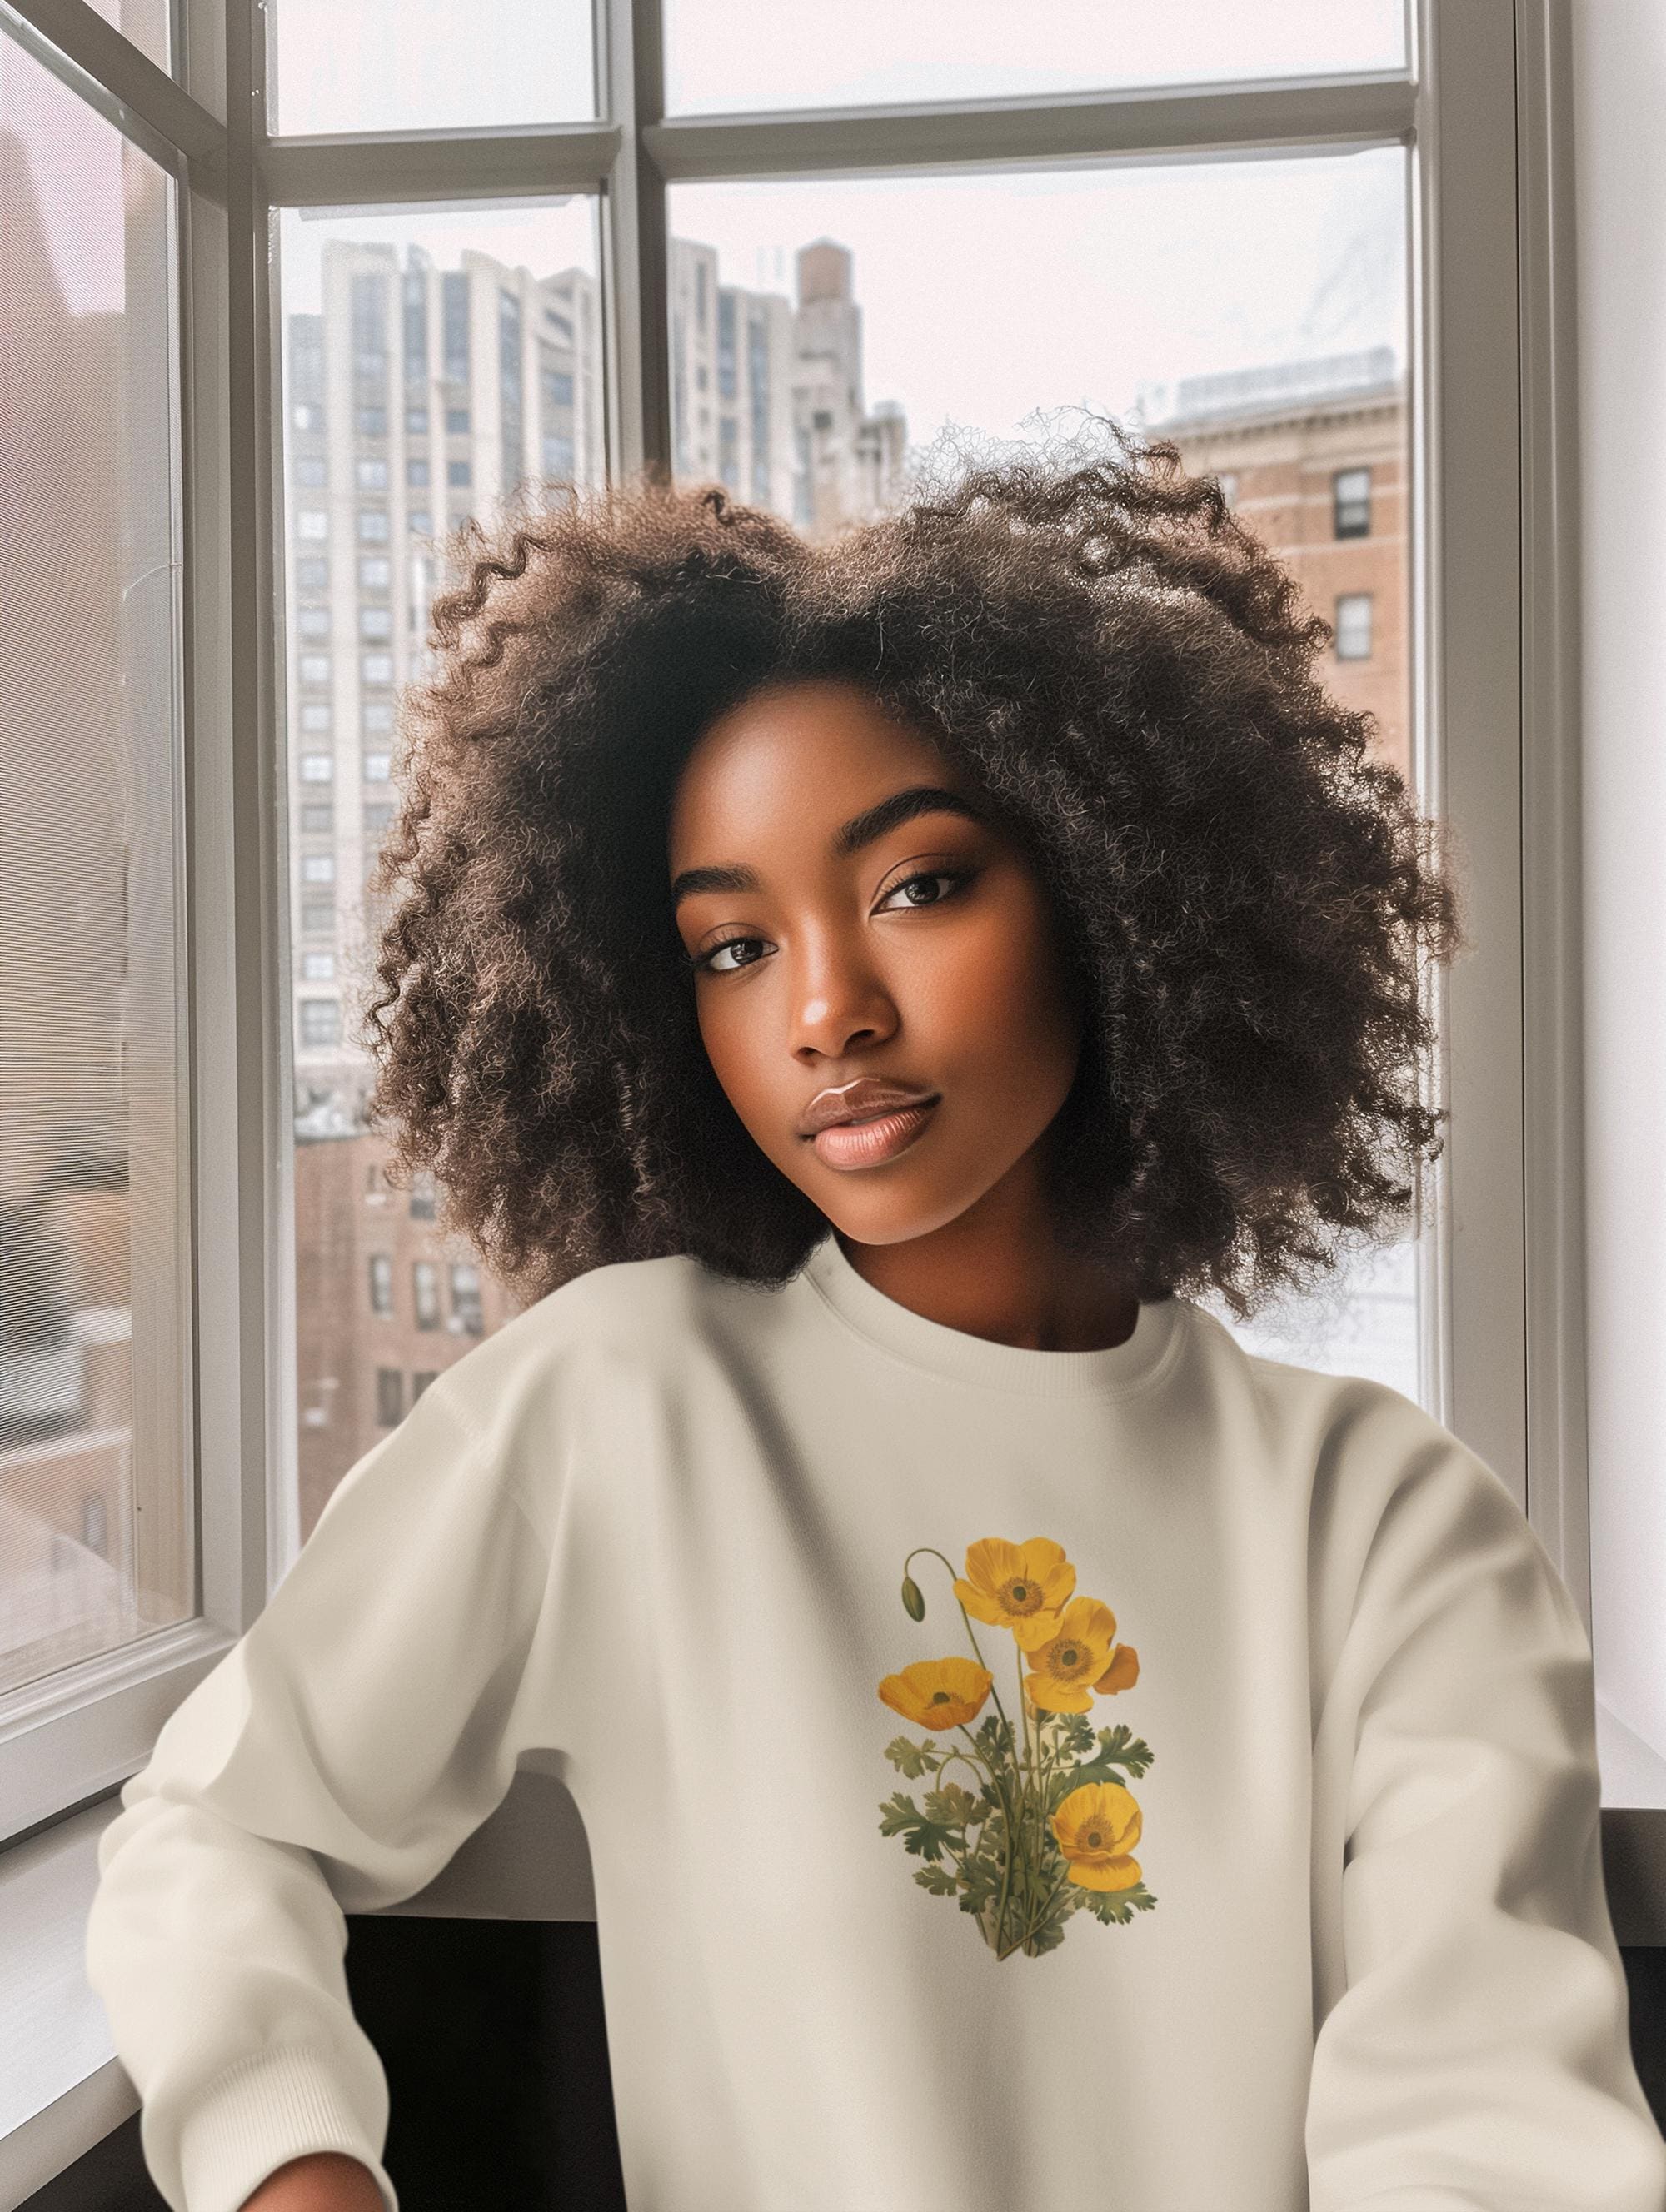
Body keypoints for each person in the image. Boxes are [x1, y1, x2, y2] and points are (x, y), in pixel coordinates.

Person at [87, 432, 1666, 2212]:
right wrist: (292, 2166)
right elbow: (219, 1819)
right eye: (730, 946)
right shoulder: (627, 1403)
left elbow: (1488, 2129)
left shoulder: (1385, 1523)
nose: (824, 1010)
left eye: (915, 884)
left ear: (1109, 889)